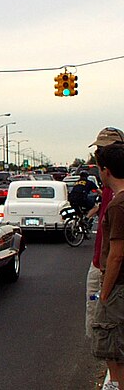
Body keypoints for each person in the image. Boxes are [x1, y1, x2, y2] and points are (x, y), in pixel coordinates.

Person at [92, 140, 124, 388]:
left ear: (106, 171)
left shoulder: (118, 206)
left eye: (98, 168)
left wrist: (104, 294)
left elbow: (116, 255)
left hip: (118, 287)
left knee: (115, 347)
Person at [87, 128, 124, 339]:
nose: (100, 152)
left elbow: (117, 253)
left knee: (105, 334)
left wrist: (104, 293)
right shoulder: (109, 186)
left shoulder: (119, 198)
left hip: (113, 276)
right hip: (101, 265)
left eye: (104, 148)